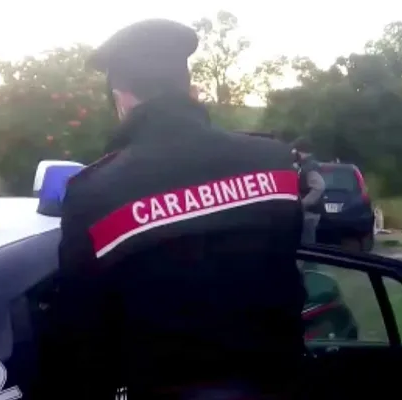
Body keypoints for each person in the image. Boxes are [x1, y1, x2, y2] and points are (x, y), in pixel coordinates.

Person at [33, 19, 306, 399]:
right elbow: (288, 269)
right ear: (188, 87)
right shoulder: (272, 160)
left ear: (121, 98)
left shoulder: (94, 192)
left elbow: (83, 331)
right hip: (276, 386)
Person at [291, 137, 325, 248]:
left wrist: (302, 204)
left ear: (300, 151)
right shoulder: (306, 165)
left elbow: (319, 187)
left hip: (309, 213)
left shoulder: (309, 167)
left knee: (307, 244)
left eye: (295, 150)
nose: (293, 153)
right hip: (309, 212)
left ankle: (309, 259)